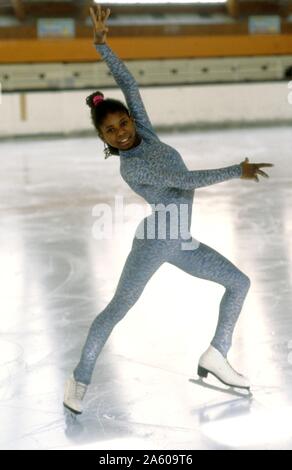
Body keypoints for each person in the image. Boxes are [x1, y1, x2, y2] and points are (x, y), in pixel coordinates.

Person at [63, 5, 273, 414]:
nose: (122, 132)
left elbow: (128, 81)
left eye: (123, 123)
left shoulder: (145, 131)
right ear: (104, 139)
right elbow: (188, 182)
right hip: (156, 242)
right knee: (116, 310)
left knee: (239, 283)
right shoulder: (135, 164)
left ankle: (217, 354)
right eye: (111, 131)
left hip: (181, 240)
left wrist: (101, 45)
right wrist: (238, 170)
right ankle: (79, 378)